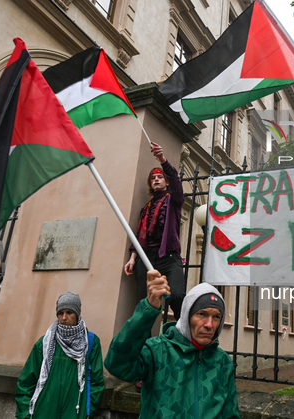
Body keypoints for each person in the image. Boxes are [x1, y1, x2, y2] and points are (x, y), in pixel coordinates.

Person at [105, 270, 240, 418]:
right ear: (187, 316)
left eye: (216, 317)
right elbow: (117, 365)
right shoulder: (157, 351)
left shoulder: (223, 363)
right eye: (202, 314)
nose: (209, 324)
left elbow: (230, 414)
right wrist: (148, 310)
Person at [15, 292, 104, 419]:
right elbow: (26, 382)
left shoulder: (90, 342)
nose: (64, 317)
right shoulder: (44, 343)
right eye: (60, 313)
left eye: (69, 312)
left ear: (77, 314)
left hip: (75, 412)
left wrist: (88, 411)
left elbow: (96, 382)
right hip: (43, 411)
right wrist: (25, 414)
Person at [124, 142, 185, 320]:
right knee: (144, 305)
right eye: (153, 178)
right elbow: (139, 237)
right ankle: (144, 344)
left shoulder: (173, 200)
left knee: (176, 296)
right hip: (146, 257)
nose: (156, 179)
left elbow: (176, 182)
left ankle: (184, 336)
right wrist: (133, 258)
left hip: (168, 256)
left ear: (166, 182)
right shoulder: (146, 208)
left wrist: (162, 160)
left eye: (159, 177)